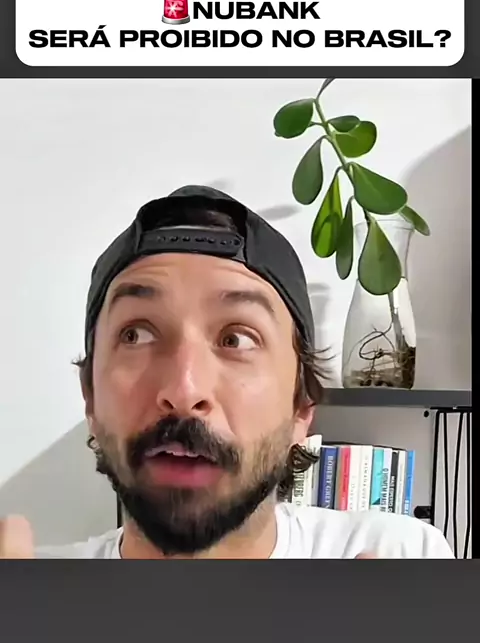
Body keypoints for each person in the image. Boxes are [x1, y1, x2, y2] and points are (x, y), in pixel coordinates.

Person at [0, 185, 454, 559]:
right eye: (136, 335)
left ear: (301, 406)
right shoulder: (32, 600)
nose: (184, 390)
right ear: (91, 398)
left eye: (236, 339)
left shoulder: (404, 559)